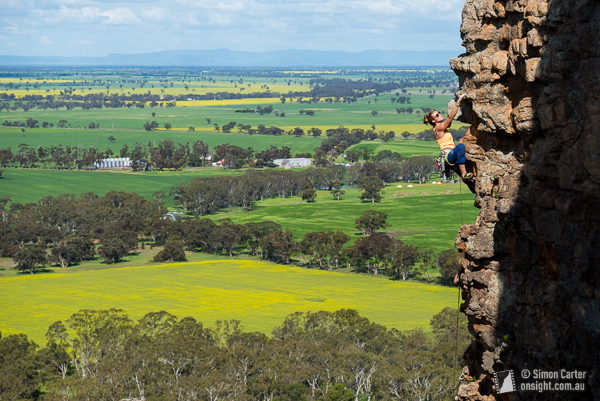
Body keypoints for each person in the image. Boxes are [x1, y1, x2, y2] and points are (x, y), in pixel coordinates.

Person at [423, 93, 473, 181]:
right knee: (461, 146)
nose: (439, 114)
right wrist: (458, 103)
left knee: (462, 143)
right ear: (434, 120)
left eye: (439, 113)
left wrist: (451, 106)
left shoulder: (440, 127)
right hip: (448, 155)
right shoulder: (438, 128)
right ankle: (464, 173)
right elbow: (450, 118)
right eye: (437, 115)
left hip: (451, 155)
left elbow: (448, 122)